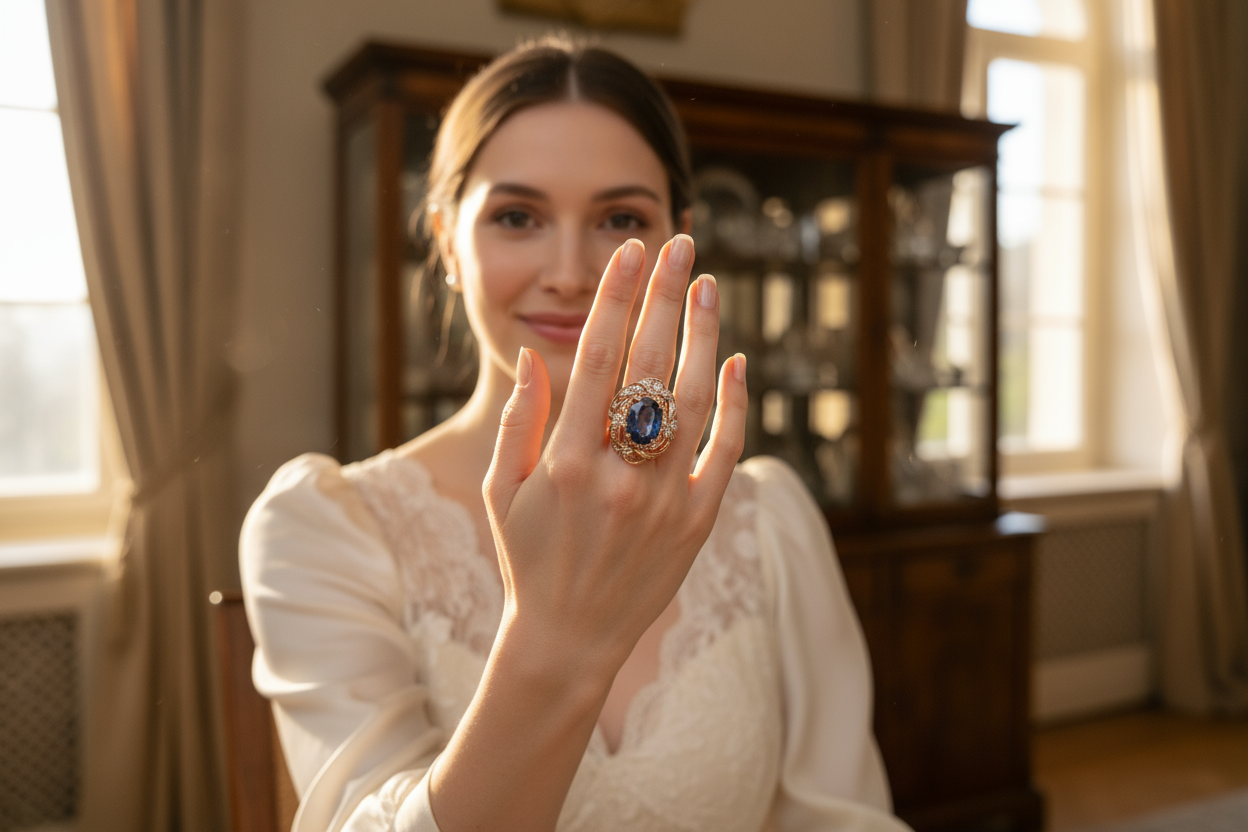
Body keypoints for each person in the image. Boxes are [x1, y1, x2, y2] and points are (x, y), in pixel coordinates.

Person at [241, 35, 911, 832]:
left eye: (619, 218)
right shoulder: (324, 527)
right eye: (517, 216)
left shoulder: (771, 523)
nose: (568, 271)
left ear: (680, 238)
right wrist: (557, 641)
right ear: (446, 239)